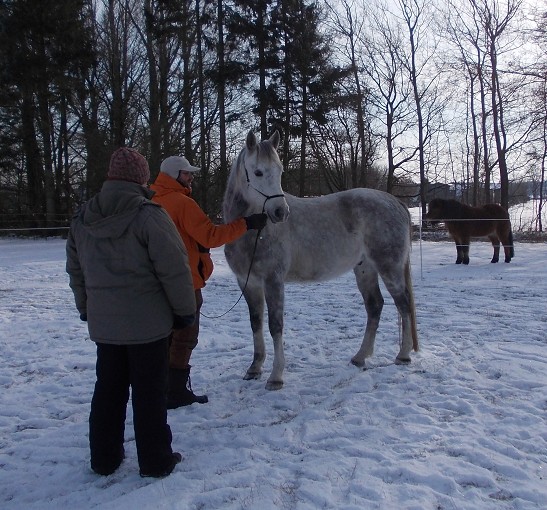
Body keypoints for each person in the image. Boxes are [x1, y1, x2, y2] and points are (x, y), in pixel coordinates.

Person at [66, 147, 196, 478]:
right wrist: (184, 312)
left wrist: (87, 310)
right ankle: (155, 460)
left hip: (105, 326)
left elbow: (76, 270)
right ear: (141, 178)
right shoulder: (148, 215)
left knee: (108, 390)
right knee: (150, 393)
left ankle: (104, 458)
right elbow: (175, 270)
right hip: (148, 326)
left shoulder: (83, 217)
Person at [150, 155, 267, 408]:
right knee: (185, 336)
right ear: (174, 175)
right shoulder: (181, 202)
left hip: (155, 282)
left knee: (165, 336)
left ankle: (160, 388)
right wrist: (246, 223)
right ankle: (176, 392)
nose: (191, 177)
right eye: (186, 173)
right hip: (184, 280)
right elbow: (211, 235)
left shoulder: (151, 197)